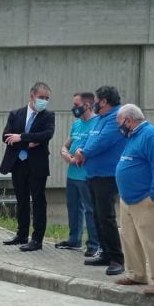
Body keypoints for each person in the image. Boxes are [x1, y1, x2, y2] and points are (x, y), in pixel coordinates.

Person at [112, 104, 154, 296]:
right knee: (129, 238)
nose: (118, 126)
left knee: (152, 240)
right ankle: (136, 273)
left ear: (129, 120)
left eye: (119, 122)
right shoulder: (133, 136)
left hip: (145, 198)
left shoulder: (151, 135)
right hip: (127, 198)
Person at [74, 86, 127, 276]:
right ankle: (105, 253)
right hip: (93, 173)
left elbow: (104, 141)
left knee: (106, 217)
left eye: (96, 100)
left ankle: (116, 258)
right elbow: (89, 138)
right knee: (97, 216)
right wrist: (80, 149)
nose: (94, 103)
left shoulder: (116, 117)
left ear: (104, 101)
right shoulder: (101, 119)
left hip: (107, 175)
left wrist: (84, 153)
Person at [0, 82, 56, 251]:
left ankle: (37, 239)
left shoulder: (48, 116)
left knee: (38, 200)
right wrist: (27, 143)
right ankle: (21, 234)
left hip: (37, 165)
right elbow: (6, 137)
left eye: (47, 98)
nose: (44, 101)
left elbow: (46, 135)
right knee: (21, 199)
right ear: (32, 96)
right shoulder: (16, 114)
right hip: (18, 164)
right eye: (41, 97)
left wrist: (21, 137)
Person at [56, 91, 99, 256]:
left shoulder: (97, 124)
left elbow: (95, 147)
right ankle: (74, 240)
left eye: (76, 105)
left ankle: (94, 245)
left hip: (86, 175)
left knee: (90, 209)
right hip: (72, 174)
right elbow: (66, 145)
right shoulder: (76, 124)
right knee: (73, 208)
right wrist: (65, 154)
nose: (73, 108)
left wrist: (80, 156)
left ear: (87, 105)